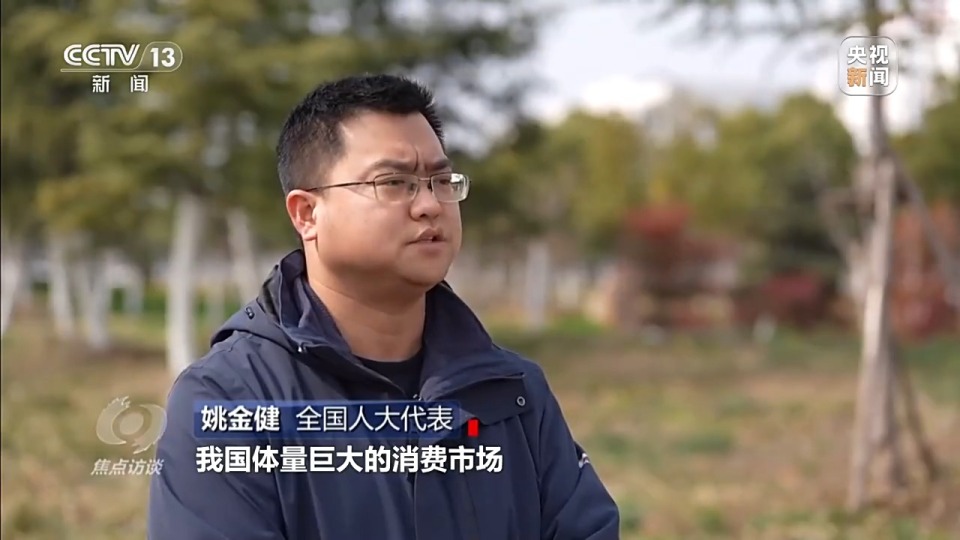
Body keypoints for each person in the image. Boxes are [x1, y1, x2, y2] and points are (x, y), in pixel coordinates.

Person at [147, 73, 620, 540]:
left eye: (441, 180)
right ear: (307, 214)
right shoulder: (231, 400)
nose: (429, 205)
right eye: (394, 182)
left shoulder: (511, 391)